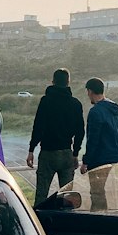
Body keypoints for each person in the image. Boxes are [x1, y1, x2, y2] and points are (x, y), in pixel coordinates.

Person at [27, 68, 85, 208]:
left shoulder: (46, 101)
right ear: (68, 82)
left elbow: (38, 127)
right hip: (66, 153)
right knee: (67, 199)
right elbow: (80, 131)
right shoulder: (75, 104)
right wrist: (75, 153)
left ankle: (39, 226)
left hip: (47, 153)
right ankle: (66, 225)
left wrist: (31, 150)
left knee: (41, 195)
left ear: (52, 82)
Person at [80, 77, 118, 211]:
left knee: (97, 191)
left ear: (90, 91)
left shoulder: (96, 111)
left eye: (88, 92)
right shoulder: (115, 109)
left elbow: (93, 140)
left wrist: (86, 162)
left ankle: (99, 218)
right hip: (116, 154)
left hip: (101, 157)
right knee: (104, 190)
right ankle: (104, 215)